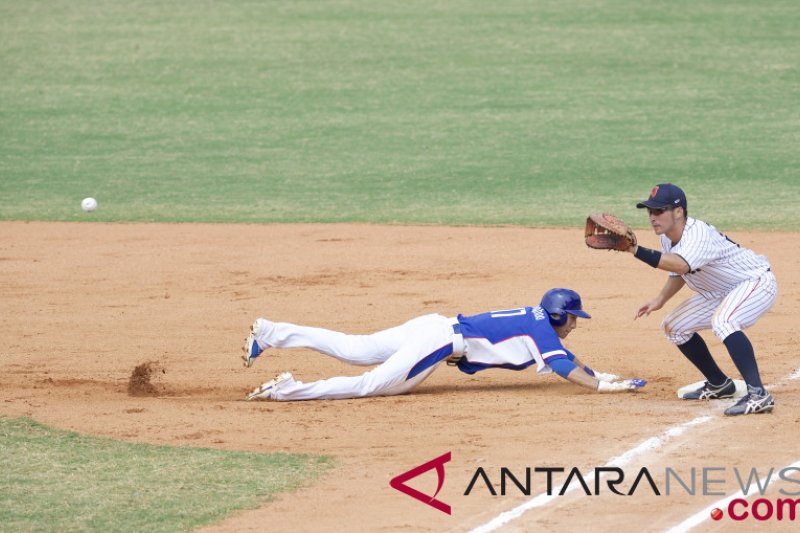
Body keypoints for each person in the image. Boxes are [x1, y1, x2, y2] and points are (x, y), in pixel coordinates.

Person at [239, 288, 646, 401]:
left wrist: (601, 374)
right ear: (559, 315)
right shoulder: (545, 331)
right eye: (574, 318)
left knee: (355, 347)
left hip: (434, 325)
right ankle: (287, 390)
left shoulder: (536, 319)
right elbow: (561, 367)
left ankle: (271, 332)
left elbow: (568, 359)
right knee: (371, 384)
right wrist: (601, 386)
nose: (576, 324)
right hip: (439, 340)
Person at [629, 183, 777, 416]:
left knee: (724, 321)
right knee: (674, 326)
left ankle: (759, 394)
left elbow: (681, 264)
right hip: (720, 292)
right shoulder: (668, 237)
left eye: (659, 211)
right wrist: (660, 299)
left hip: (753, 282)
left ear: (678, 212)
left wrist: (635, 250)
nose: (652, 217)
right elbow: (678, 272)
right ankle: (720, 383)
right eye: (649, 211)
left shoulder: (697, 234)